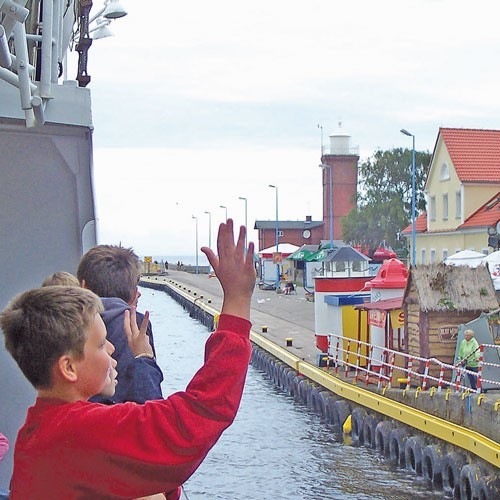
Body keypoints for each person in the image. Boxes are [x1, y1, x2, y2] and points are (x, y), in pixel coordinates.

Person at [1, 220, 255, 499]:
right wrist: (237, 300)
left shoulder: (36, 430)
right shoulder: (82, 431)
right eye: (100, 344)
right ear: (68, 368)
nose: (111, 348)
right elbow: (197, 415)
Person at [77, 244, 164, 404]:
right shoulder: (137, 325)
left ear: (83, 286)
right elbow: (151, 405)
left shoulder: (69, 322)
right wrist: (145, 358)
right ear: (133, 294)